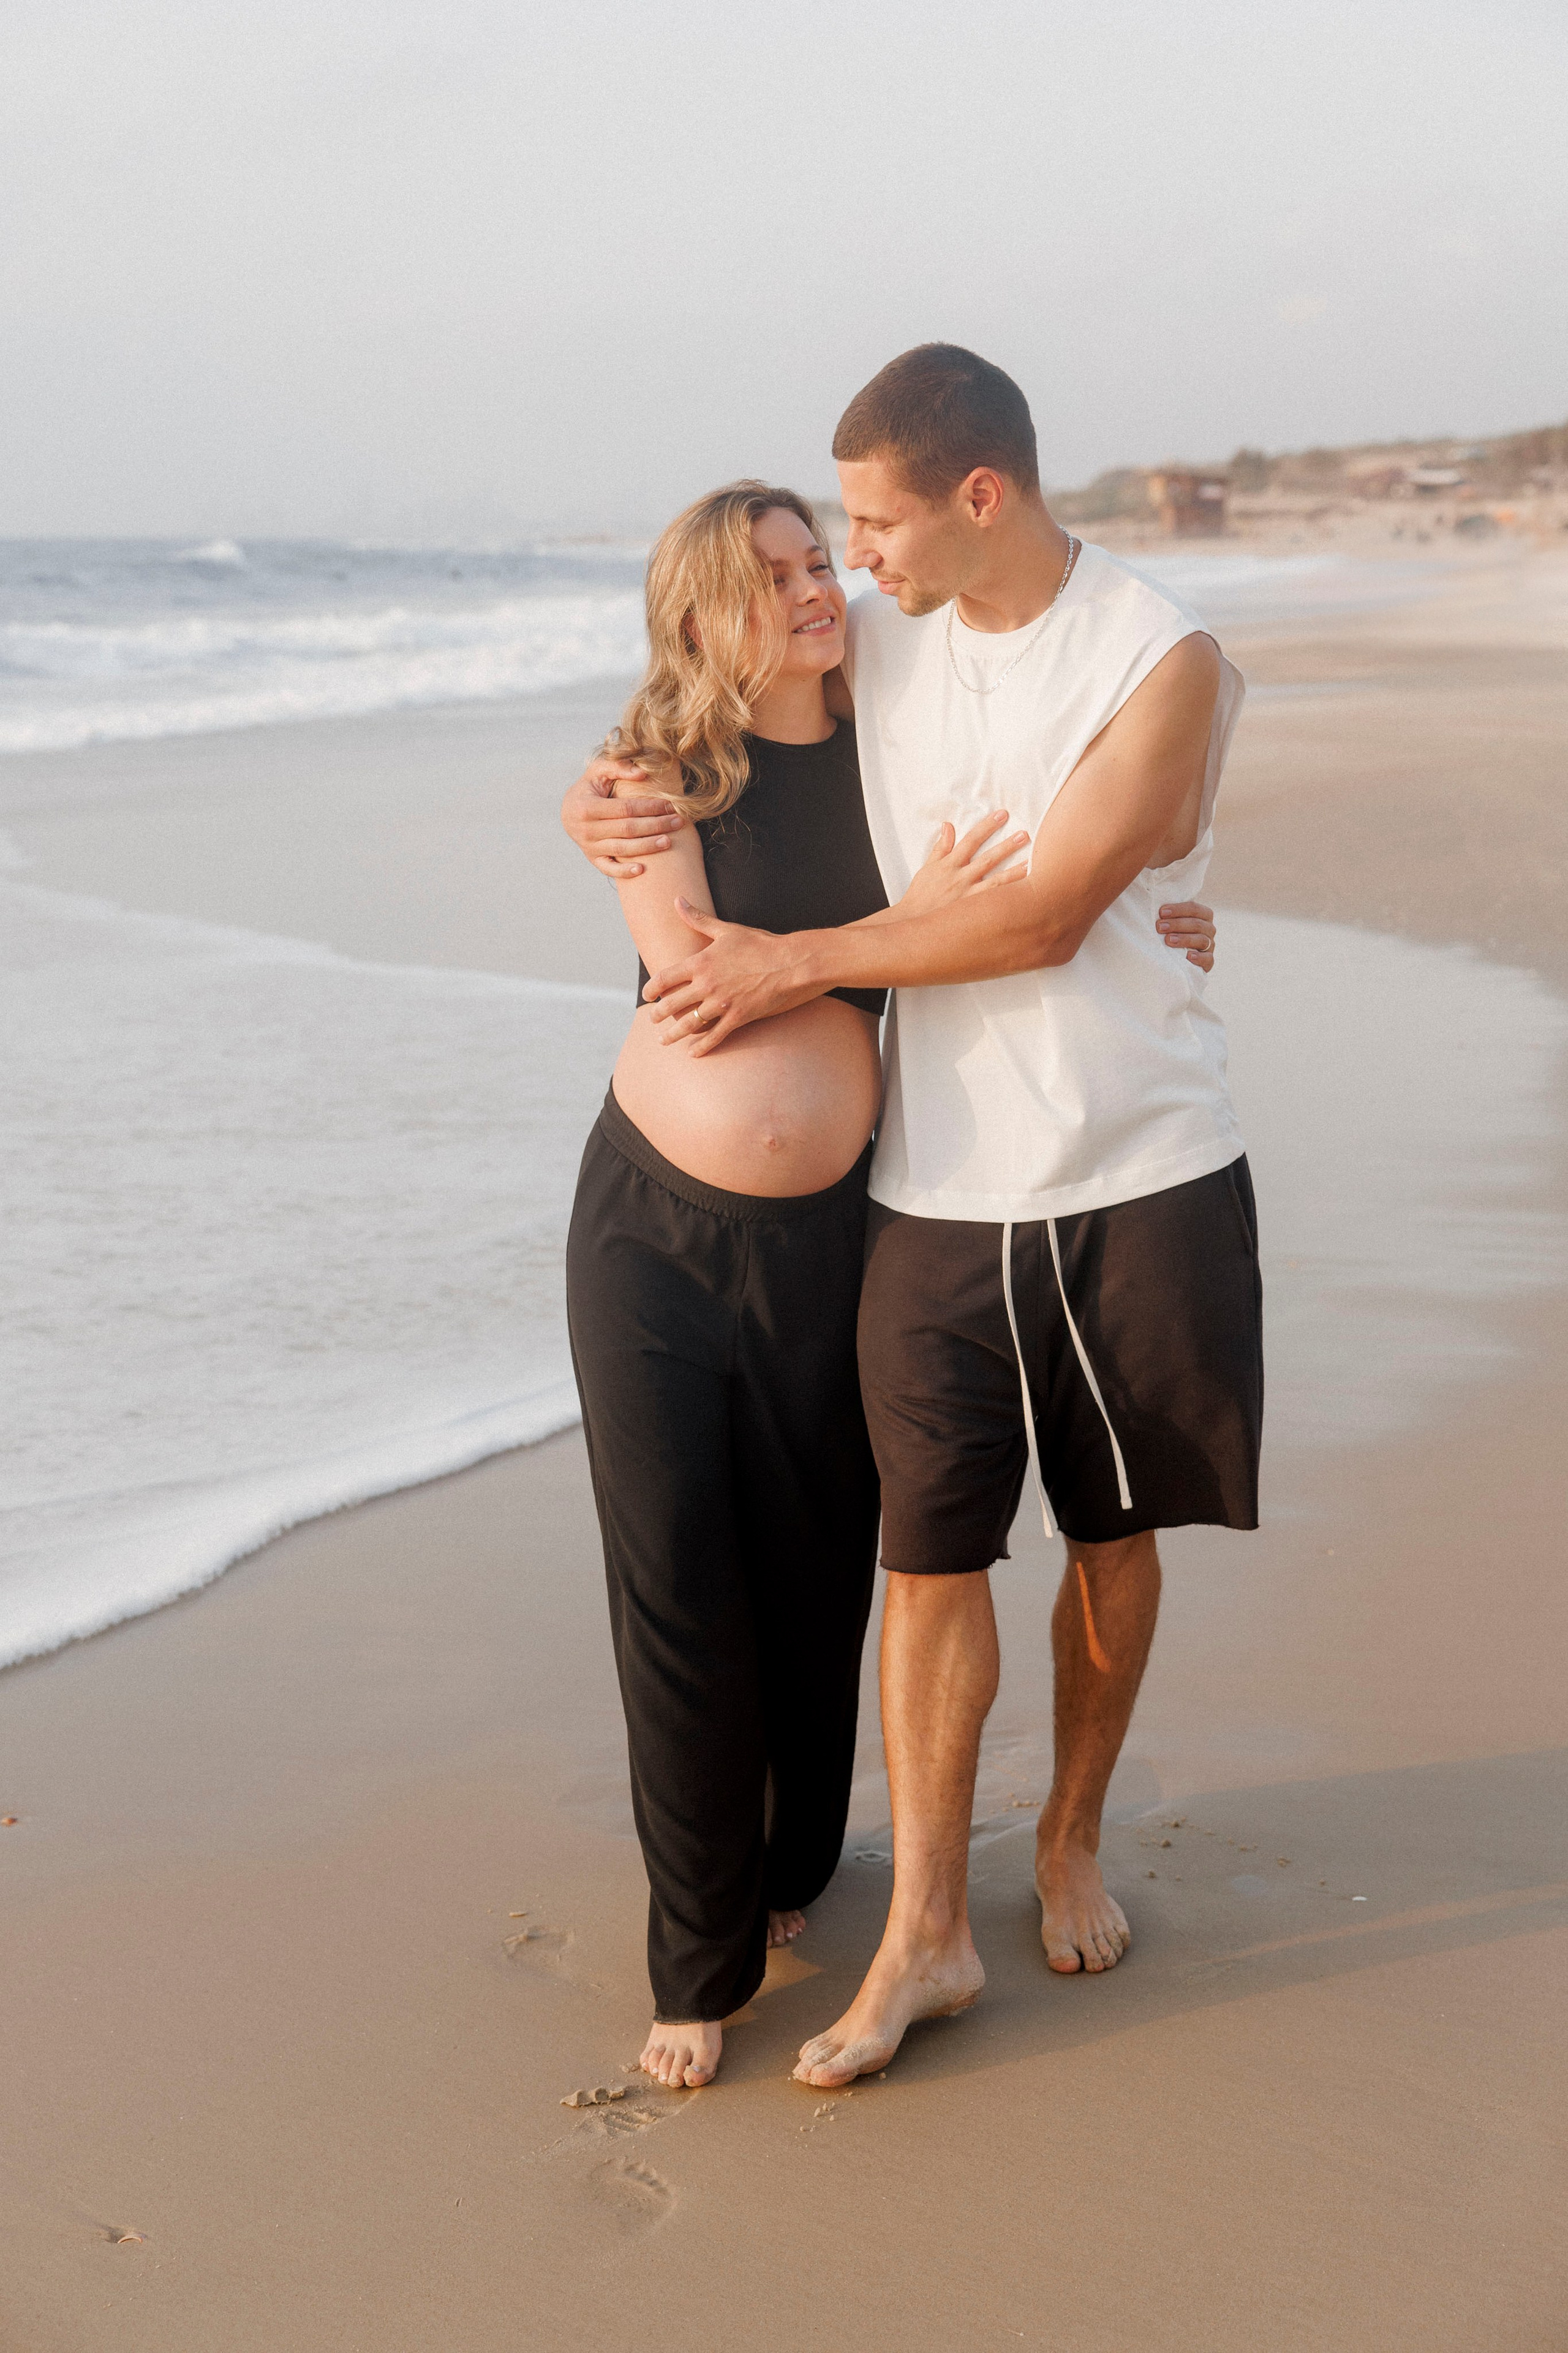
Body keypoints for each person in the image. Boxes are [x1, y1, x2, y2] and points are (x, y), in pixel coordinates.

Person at [562, 344, 1261, 2094]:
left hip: (1008, 1190)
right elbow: (707, 829)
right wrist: (599, 800)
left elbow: (1067, 859)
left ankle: (962, 1853)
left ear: (971, 498)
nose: (840, 568)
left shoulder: (1040, 661)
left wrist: (1159, 882)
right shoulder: (773, 704)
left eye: (853, 533)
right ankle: (815, 1938)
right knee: (816, 1570)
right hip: (807, 1208)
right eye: (815, 551)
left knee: (989, 1555)